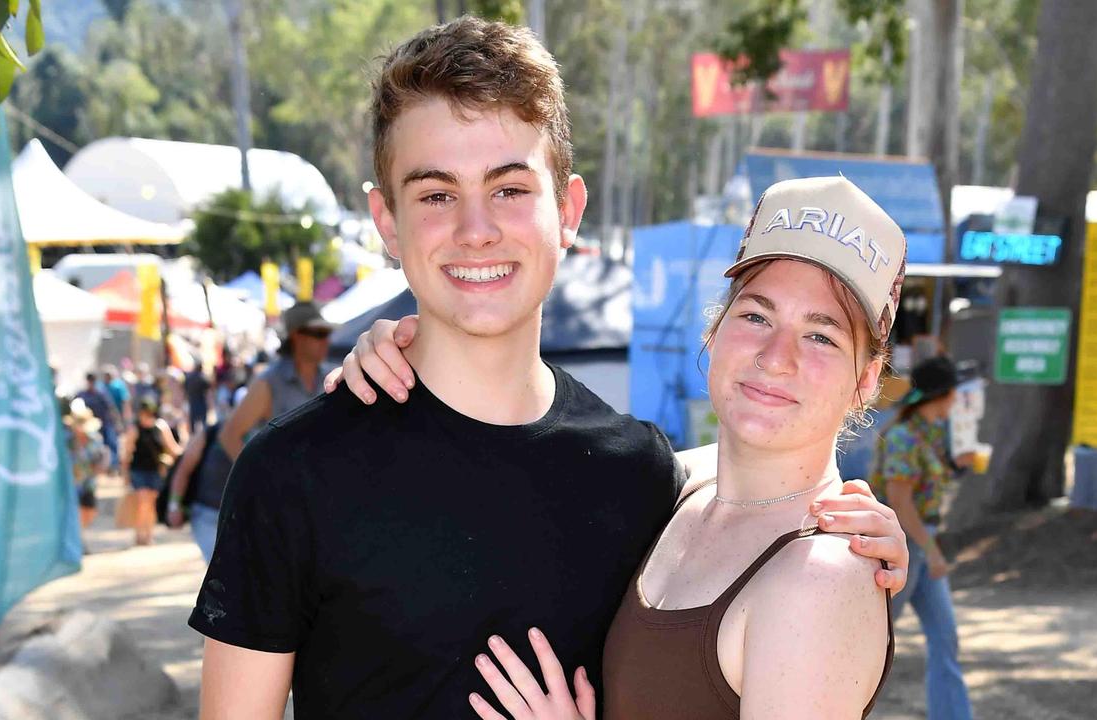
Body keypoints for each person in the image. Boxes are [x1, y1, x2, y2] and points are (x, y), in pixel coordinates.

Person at [190, 18, 907, 719]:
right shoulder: (293, 471)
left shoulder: (636, 473)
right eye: (436, 195)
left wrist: (859, 537)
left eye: (509, 189)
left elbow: (779, 503)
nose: (477, 230)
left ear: (568, 209)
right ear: (386, 223)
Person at [347, 178, 905, 719]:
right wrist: (404, 352)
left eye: (821, 335)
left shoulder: (820, 578)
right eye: (756, 315)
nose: (776, 355)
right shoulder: (670, 484)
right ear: (716, 328)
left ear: (866, 378)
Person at [870, 355, 975, 720]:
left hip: (923, 540)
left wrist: (960, 467)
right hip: (903, 546)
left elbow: (932, 486)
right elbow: (900, 503)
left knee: (945, 637)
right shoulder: (902, 437)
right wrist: (931, 551)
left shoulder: (933, 433)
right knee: (872, 643)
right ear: (944, 395)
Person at [216, 301, 336, 461]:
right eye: (320, 334)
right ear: (297, 336)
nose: (326, 341)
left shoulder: (330, 376)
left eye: (327, 334)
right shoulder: (268, 383)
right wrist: (262, 479)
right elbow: (229, 437)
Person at [165, 420, 232, 563]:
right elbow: (183, 471)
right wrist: (174, 506)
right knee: (218, 565)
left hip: (237, 518)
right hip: (205, 515)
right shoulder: (211, 433)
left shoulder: (262, 434)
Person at [120, 397, 184, 546]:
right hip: (138, 470)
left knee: (152, 502)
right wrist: (125, 473)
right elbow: (127, 452)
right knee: (143, 501)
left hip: (156, 470)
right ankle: (139, 534)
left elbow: (172, 447)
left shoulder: (160, 427)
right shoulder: (134, 429)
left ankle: (148, 533)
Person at [65, 398, 108, 530]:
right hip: (72, 481)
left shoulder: (94, 439)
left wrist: (100, 468)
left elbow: (102, 456)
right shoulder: (67, 440)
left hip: (89, 480)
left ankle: (80, 533)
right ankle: (79, 537)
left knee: (90, 510)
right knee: (75, 510)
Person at [76, 372, 122, 476]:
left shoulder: (102, 394)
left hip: (104, 424)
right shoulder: (82, 395)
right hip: (88, 427)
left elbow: (112, 409)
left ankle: (112, 467)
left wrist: (117, 423)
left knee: (110, 445)